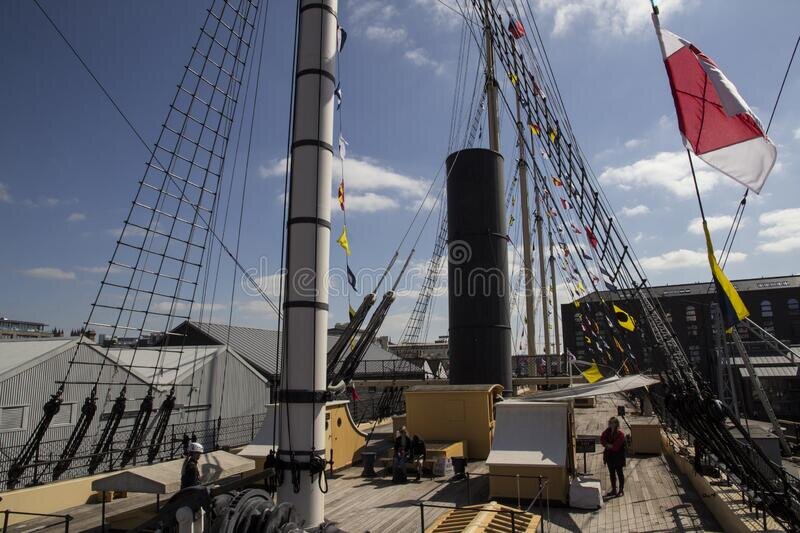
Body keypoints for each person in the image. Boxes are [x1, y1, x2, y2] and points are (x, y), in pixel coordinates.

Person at [600, 416, 626, 497]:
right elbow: (602, 439)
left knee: (620, 473)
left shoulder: (620, 434)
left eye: (613, 422)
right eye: (610, 422)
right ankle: (614, 490)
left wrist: (607, 445)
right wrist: (608, 445)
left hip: (618, 457)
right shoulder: (607, 431)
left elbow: (616, 447)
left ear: (616, 424)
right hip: (609, 456)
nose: (611, 424)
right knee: (612, 474)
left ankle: (621, 490)